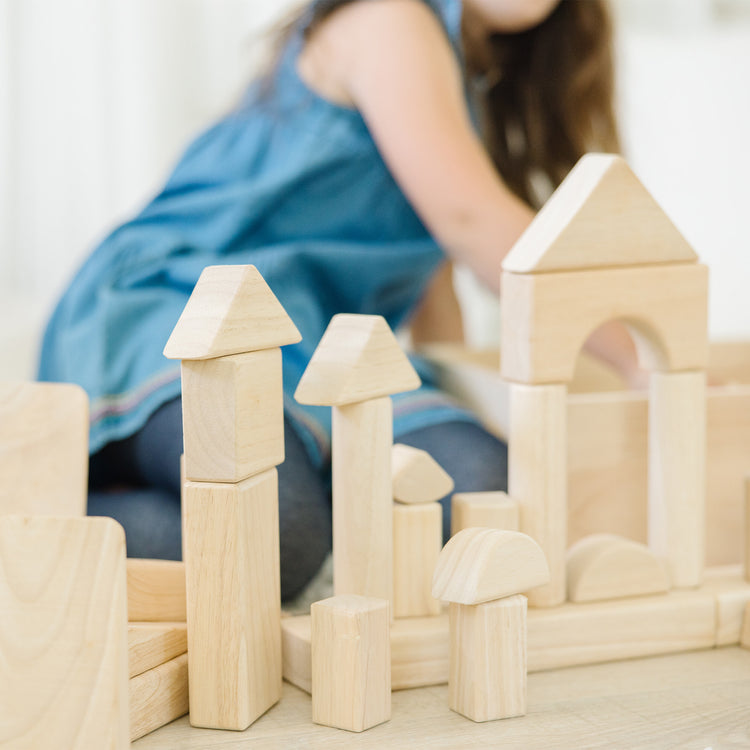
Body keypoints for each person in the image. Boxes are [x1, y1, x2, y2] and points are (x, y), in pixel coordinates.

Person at [38, 0, 627, 601]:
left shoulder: (469, 83)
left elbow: (433, 274)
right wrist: (642, 356)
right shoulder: (389, 19)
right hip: (186, 308)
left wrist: (456, 392)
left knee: (480, 492)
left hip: (319, 347)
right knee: (273, 536)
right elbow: (469, 221)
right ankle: (34, 510)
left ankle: (296, 506)